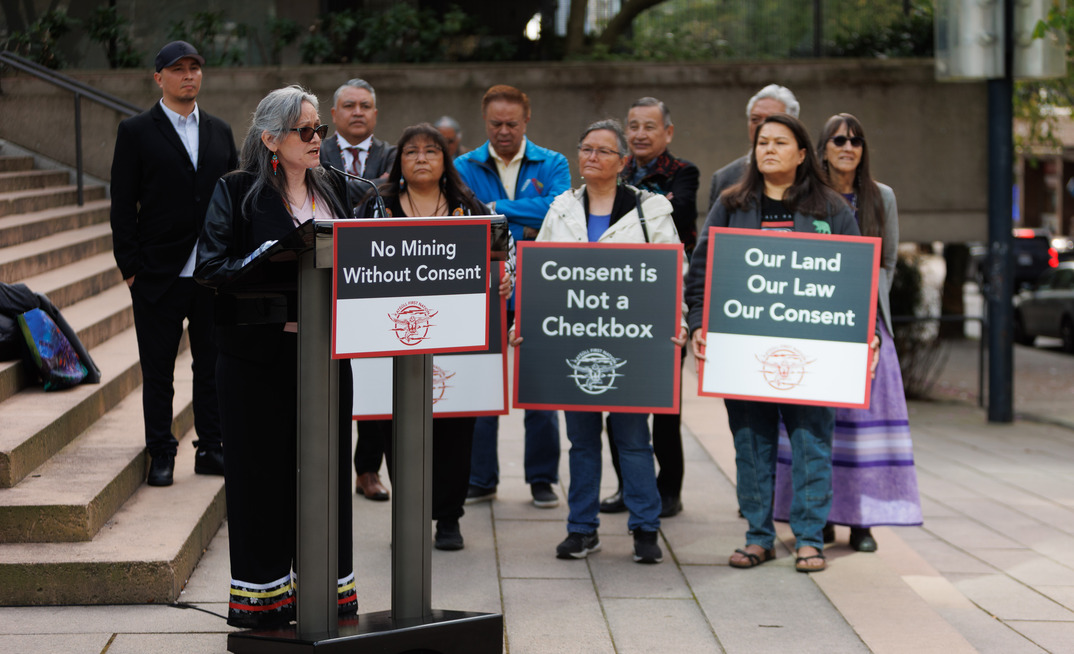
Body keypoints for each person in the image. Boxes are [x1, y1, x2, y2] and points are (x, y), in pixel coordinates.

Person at [195, 85, 357, 628]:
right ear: (271, 139)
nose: (317, 140)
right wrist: (267, 259)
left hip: (327, 357)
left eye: (320, 131)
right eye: (305, 131)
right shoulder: (236, 190)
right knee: (261, 478)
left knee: (327, 472)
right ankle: (263, 604)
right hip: (256, 359)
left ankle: (326, 597)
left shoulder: (338, 189)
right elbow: (211, 268)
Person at [685, 113, 871, 574]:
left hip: (815, 352)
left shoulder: (832, 209)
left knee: (812, 445)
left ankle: (809, 538)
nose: (768, 149)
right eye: (762, 142)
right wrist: (697, 324)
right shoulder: (731, 203)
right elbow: (701, 273)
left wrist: (866, 340)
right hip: (741, 351)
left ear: (803, 153)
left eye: (780, 142)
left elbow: (855, 281)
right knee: (751, 445)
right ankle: (758, 536)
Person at [359, 123, 514, 551]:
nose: (422, 158)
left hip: (459, 343)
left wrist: (506, 281)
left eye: (432, 151)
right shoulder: (378, 205)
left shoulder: (469, 207)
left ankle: (449, 517)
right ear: (399, 162)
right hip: (395, 337)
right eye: (412, 151)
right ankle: (408, 517)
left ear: (446, 161)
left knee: (453, 431)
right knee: (397, 429)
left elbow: (506, 252)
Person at [532, 118, 680, 564]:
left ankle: (645, 527)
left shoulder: (650, 211)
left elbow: (676, 272)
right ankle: (581, 528)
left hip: (632, 343)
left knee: (633, 438)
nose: (591, 157)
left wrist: (680, 325)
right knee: (581, 440)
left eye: (602, 151)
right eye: (586, 149)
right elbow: (541, 270)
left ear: (622, 163)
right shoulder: (560, 208)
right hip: (573, 344)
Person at [773, 113, 922, 552]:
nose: (847, 147)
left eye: (856, 140)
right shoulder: (805, 196)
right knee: (818, 426)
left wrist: (867, 304)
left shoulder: (882, 198)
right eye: (838, 139)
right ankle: (818, 519)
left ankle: (862, 522)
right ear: (821, 149)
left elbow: (888, 259)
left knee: (862, 428)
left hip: (867, 329)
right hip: (814, 327)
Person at [109, 40, 237, 487]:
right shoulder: (136, 131)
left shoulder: (220, 131)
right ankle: (161, 452)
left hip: (211, 274)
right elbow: (123, 204)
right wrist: (130, 267)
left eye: (195, 68)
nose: (189, 75)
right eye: (178, 69)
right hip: (157, 275)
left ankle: (212, 448)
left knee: (212, 365)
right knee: (159, 371)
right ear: (158, 77)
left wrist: (232, 260)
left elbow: (234, 201)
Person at [455, 84, 571, 509]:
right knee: (482, 388)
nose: (503, 131)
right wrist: (523, 214)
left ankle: (542, 478)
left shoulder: (553, 162)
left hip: (538, 287)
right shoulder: (463, 164)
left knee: (540, 388)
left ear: (527, 120)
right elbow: (462, 213)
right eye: (495, 124)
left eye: (512, 123)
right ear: (484, 122)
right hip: (482, 286)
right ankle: (481, 476)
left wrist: (494, 208)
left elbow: (557, 210)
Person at [600, 96, 698, 520]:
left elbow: (679, 212)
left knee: (665, 408)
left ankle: (669, 490)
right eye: (633, 126)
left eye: (649, 126)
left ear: (667, 133)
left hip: (662, 302)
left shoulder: (683, 173)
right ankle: (627, 486)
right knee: (615, 402)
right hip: (617, 304)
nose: (640, 134)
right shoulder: (611, 173)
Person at [320, 79, 397, 502]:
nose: (357, 112)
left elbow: (390, 196)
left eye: (366, 105)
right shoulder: (317, 153)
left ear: (375, 112)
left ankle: (368, 469)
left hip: (377, 280)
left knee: (373, 377)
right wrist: (375, 187)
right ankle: (325, 462)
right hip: (327, 276)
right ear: (333, 115)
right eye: (348, 105)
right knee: (329, 375)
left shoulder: (393, 155)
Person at [708, 84, 800, 212]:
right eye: (755, 119)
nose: (762, 126)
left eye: (771, 120)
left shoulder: (814, 178)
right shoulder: (724, 178)